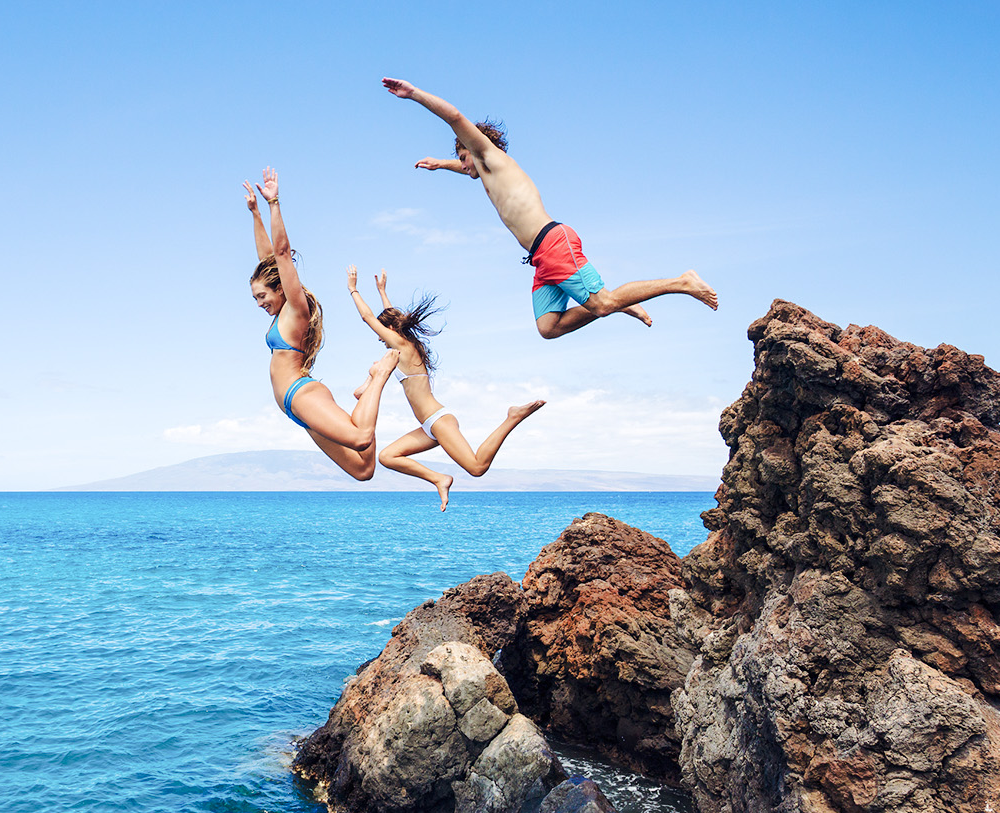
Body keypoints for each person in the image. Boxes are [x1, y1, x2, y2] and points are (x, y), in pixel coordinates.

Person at [382, 77, 718, 340]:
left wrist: (414, 94)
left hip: (553, 243)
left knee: (602, 304)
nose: (462, 164)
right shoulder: (483, 169)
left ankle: (682, 282)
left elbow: (454, 117)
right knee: (548, 327)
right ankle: (617, 303)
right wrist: (442, 164)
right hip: (541, 257)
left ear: (472, 147)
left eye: (461, 156)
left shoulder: (489, 156)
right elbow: (467, 170)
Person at [245, 168, 399, 480]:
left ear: (279, 288)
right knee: (363, 469)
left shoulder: (296, 309)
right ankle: (365, 392)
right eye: (255, 299)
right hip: (295, 409)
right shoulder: (281, 312)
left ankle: (379, 375)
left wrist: (274, 203)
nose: (260, 304)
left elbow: (281, 254)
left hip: (301, 394)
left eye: (262, 296)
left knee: (360, 438)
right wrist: (254, 214)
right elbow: (268, 261)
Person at [347, 266, 544, 511]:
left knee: (476, 467)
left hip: (439, 420)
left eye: (382, 332)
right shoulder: (400, 347)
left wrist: (353, 290)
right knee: (387, 457)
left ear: (391, 331)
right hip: (428, 426)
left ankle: (512, 417)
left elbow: (368, 318)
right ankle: (439, 479)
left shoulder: (402, 345)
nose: (379, 338)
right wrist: (382, 292)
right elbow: (392, 319)